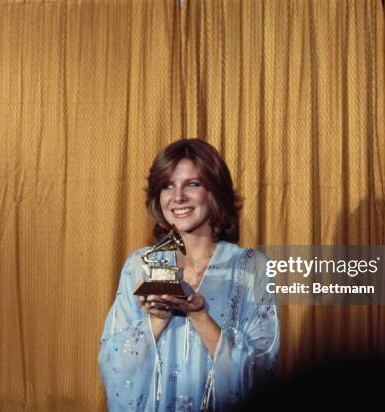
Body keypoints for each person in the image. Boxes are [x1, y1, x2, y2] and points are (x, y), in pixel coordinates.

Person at [98, 139, 279, 411]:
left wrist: (198, 314)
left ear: (214, 192)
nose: (178, 196)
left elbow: (261, 373)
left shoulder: (252, 268)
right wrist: (156, 320)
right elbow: (114, 366)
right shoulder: (140, 265)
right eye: (167, 186)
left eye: (192, 184)